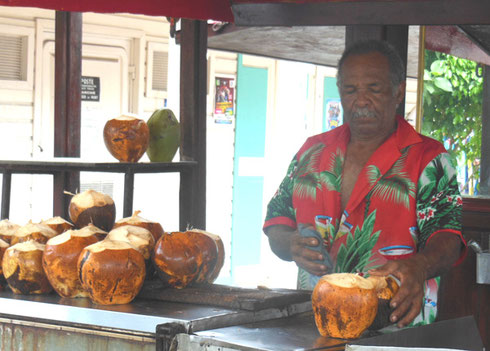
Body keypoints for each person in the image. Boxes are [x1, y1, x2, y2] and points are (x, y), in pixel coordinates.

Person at [263, 40, 466, 328]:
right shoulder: (311, 153)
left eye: (374, 88)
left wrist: (420, 266)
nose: (360, 100)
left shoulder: (429, 159)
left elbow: (449, 239)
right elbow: (277, 224)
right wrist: (291, 244)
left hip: (396, 325)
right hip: (316, 324)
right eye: (350, 90)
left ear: (397, 92)